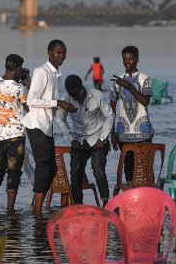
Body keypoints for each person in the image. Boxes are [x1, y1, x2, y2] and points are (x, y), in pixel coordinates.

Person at [23, 40, 77, 217]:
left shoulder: (56, 74)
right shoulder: (41, 72)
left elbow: (47, 101)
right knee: (44, 167)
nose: (60, 56)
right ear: (49, 53)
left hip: (47, 127)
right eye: (57, 53)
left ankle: (39, 209)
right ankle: (37, 212)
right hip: (36, 125)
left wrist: (63, 105)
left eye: (63, 53)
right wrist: (58, 102)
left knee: (51, 169)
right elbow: (31, 100)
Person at [56, 74, 114, 206]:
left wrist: (103, 138)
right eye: (70, 93)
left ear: (81, 87)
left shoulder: (97, 95)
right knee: (75, 171)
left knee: (97, 167)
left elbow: (110, 116)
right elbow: (60, 119)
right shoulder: (67, 99)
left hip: (98, 139)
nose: (73, 96)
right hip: (79, 140)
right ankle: (78, 205)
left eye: (75, 92)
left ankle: (106, 202)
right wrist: (71, 139)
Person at [0, 54, 30, 212]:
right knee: (13, 175)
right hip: (16, 137)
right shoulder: (20, 88)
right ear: (18, 69)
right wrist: (27, 83)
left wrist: (18, 79)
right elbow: (29, 108)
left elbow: (6, 88)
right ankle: (10, 210)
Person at [110, 46, 153, 182]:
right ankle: (132, 200)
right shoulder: (117, 81)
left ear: (137, 59)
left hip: (143, 132)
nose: (128, 62)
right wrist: (112, 132)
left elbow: (145, 101)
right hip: (123, 133)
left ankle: (149, 199)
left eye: (131, 59)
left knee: (146, 170)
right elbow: (111, 109)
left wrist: (128, 86)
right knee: (128, 171)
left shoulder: (145, 79)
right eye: (125, 59)